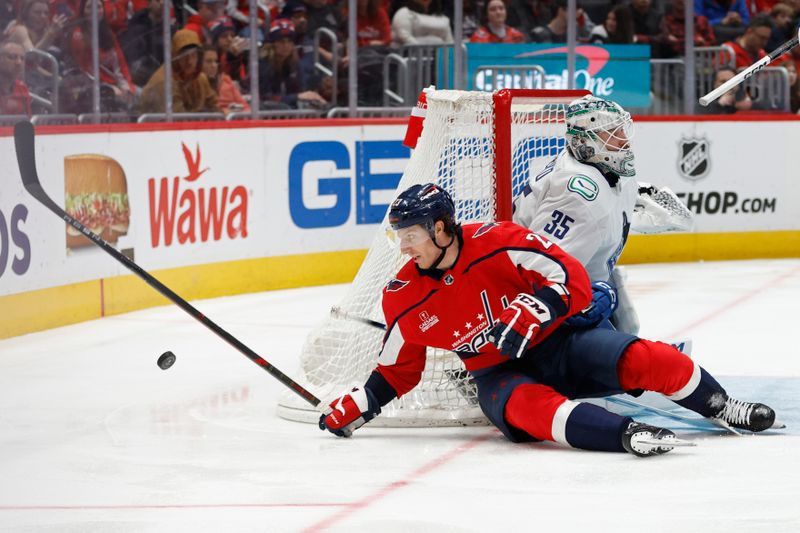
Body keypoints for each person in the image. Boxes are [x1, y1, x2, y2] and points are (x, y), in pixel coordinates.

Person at [318, 182, 779, 456]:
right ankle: (626, 435)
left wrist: (541, 307)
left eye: (412, 235)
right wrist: (361, 404)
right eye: (400, 237)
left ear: (442, 228)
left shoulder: (499, 240)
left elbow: (571, 276)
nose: (404, 248)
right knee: (528, 410)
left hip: (559, 343)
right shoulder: (404, 295)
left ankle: (722, 407)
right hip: (498, 373)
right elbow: (399, 368)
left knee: (647, 358)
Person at [513, 95, 692, 336]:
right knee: (615, 348)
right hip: (544, 290)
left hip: (591, 271)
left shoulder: (604, 169)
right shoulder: (578, 195)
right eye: (612, 133)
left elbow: (608, 209)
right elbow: (539, 269)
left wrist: (637, 201)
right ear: (586, 142)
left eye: (622, 130)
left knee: (629, 327)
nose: (624, 140)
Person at [139, 29, 221, 113]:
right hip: (155, 125)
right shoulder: (164, 83)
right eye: (184, 56)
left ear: (199, 56)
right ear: (175, 57)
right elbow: (177, 121)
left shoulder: (200, 79)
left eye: (193, 55)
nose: (189, 61)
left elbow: (216, 107)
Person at [201, 44, 250, 113]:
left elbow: (246, 107)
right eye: (209, 61)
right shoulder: (196, 84)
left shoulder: (226, 79)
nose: (214, 65)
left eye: (216, 61)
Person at [0, 40, 32, 115]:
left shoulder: (22, 88)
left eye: (22, 58)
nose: (19, 62)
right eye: (12, 57)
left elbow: (28, 122)